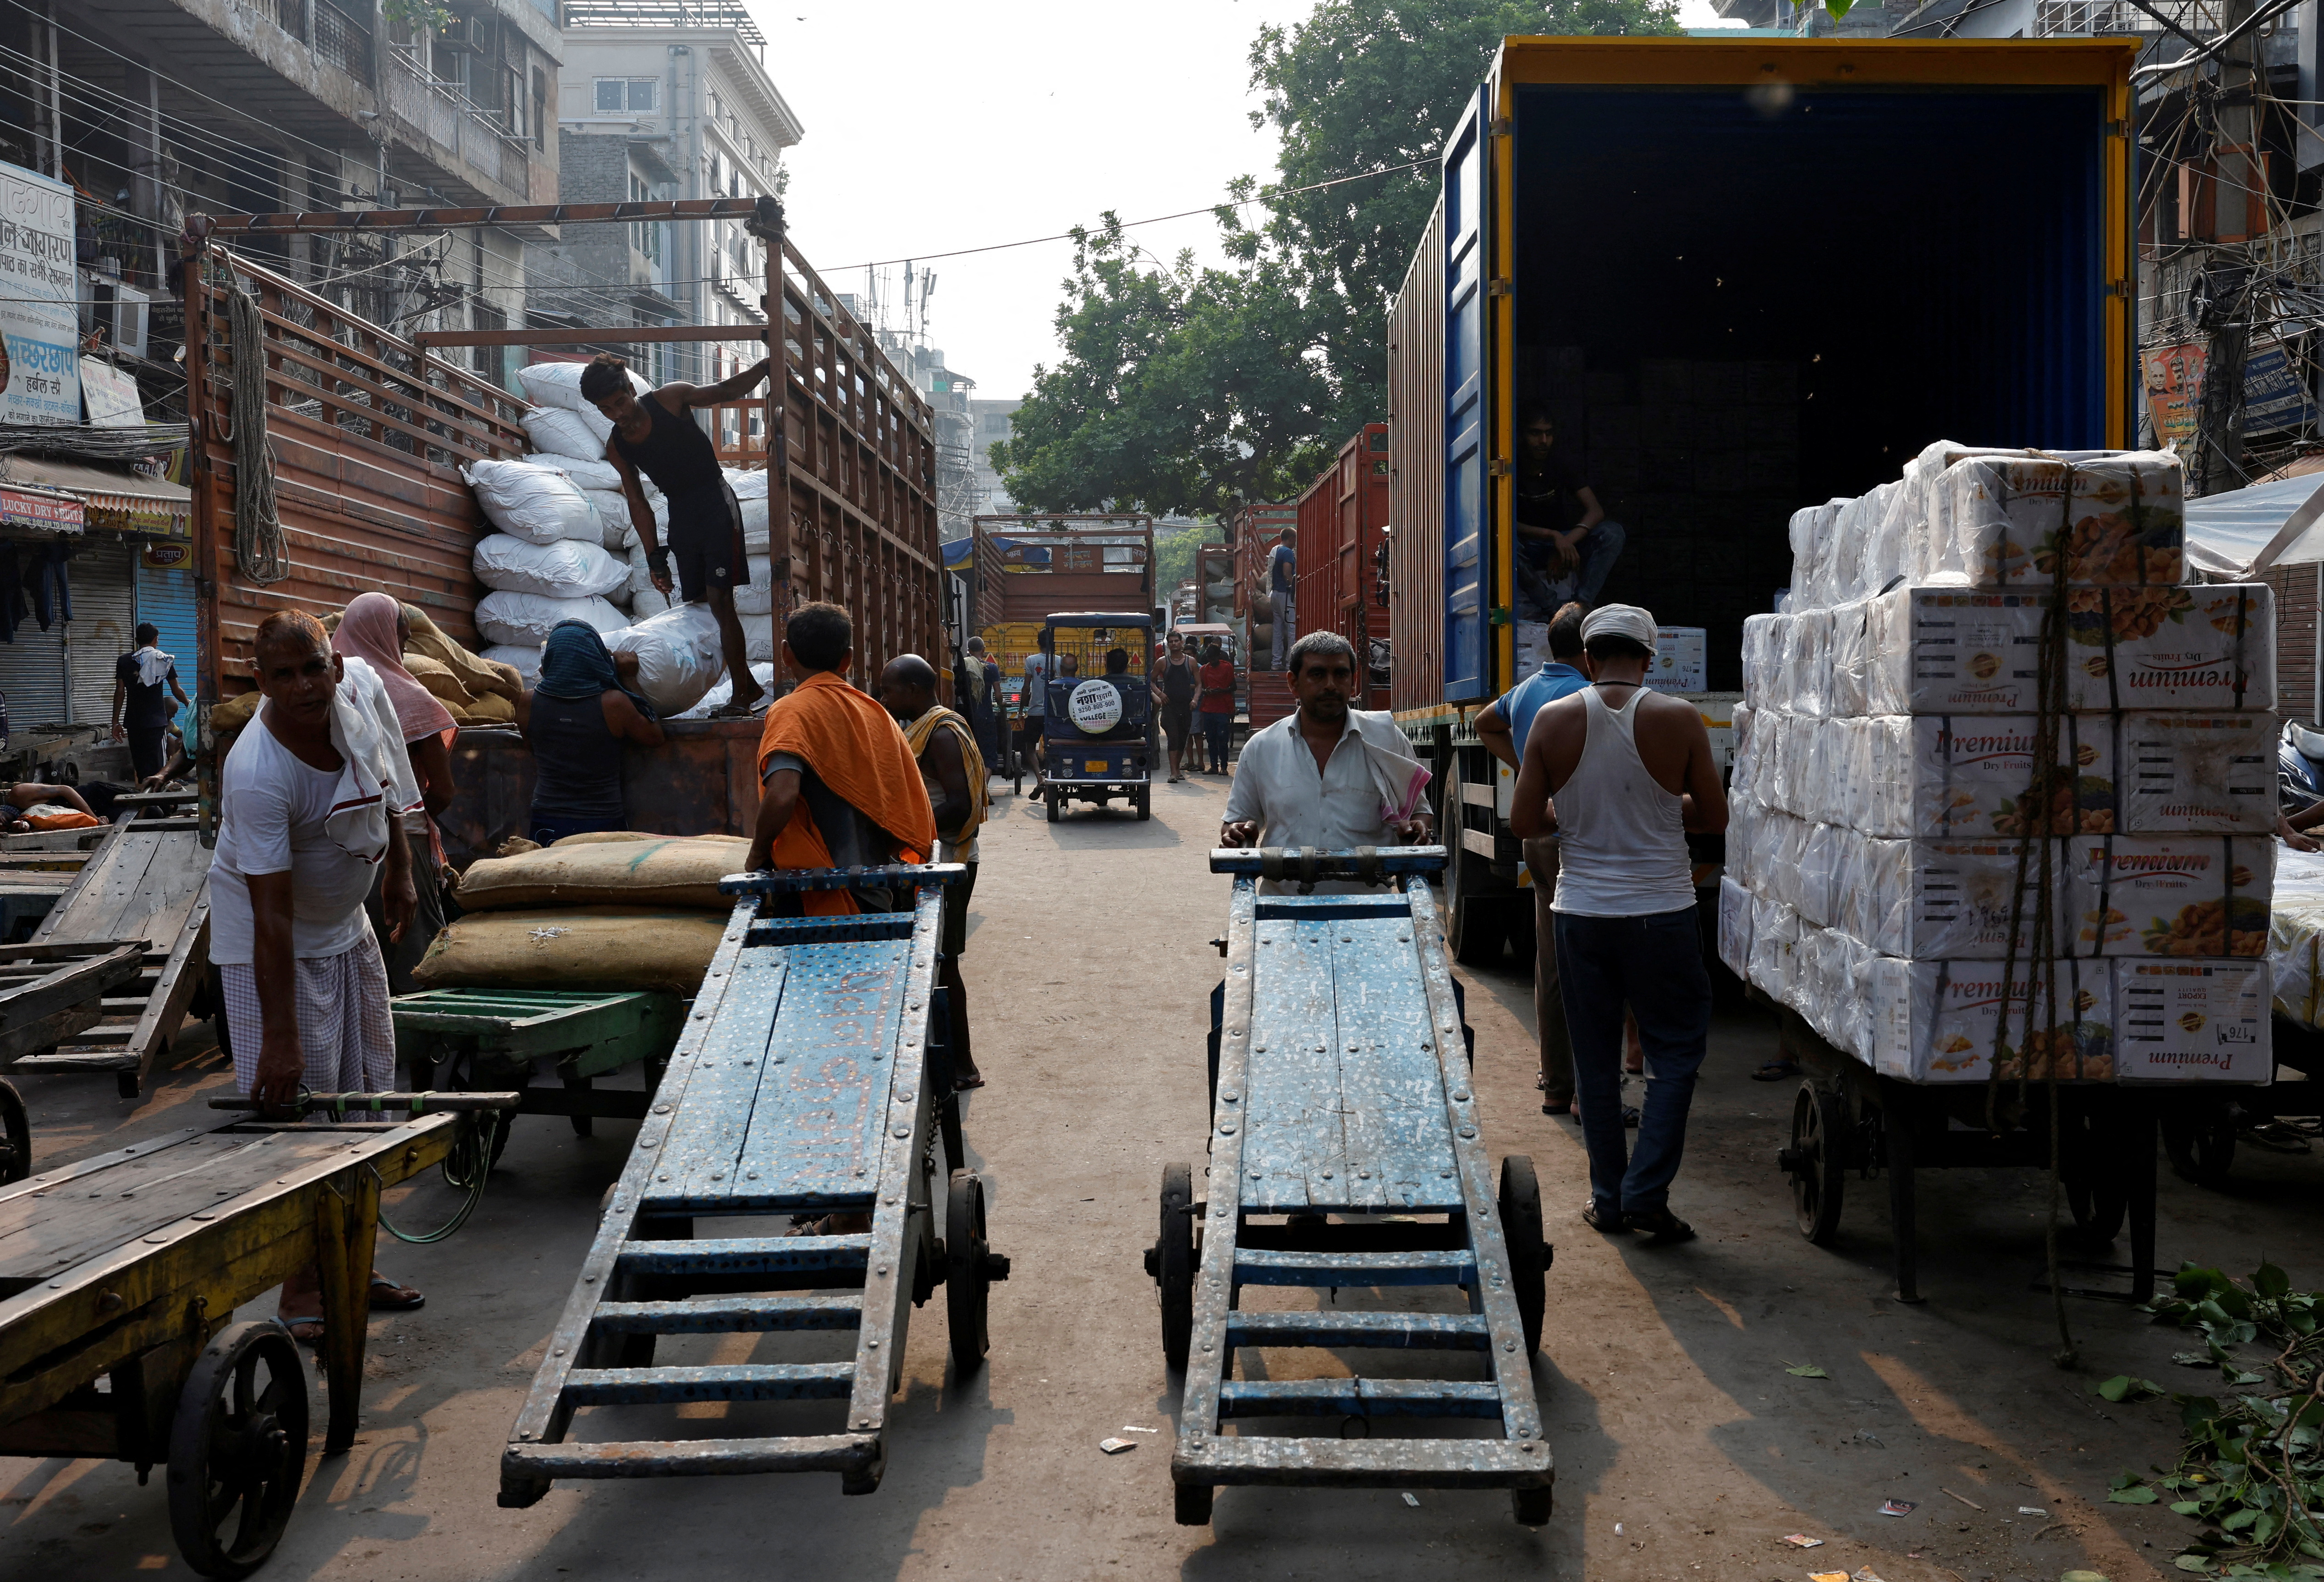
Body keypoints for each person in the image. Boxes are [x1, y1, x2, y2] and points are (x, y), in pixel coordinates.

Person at [211, 609, 425, 1341]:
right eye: (285, 675)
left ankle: (355, 1266)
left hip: (347, 926)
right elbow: (268, 917)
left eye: (314, 666)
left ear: (334, 660)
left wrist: (399, 869)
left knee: (366, 1100)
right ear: (261, 681)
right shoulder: (256, 773)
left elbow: (385, 770)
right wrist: (280, 1039)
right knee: (302, 1120)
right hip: (275, 947)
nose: (306, 685)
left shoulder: (359, 688)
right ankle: (301, 1292)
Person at [1510, 605, 1725, 1245]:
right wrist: (1660, 801)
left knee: (1595, 1061)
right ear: (1650, 658)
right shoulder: (1676, 717)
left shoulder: (1551, 718)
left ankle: (1608, 1198)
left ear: (1585, 656)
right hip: (1660, 911)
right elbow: (1711, 815)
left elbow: (1525, 823)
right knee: (1673, 1053)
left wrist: (1576, 807)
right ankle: (1645, 1193)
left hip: (1580, 914)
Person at [582, 350, 774, 720]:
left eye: (620, 402)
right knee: (699, 605)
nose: (618, 414)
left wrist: (765, 367)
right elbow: (637, 502)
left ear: (629, 388)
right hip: (681, 515)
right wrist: (655, 558)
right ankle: (745, 684)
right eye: (606, 410)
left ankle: (741, 694)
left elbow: (725, 390)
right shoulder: (617, 445)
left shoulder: (669, 399)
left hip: (716, 502)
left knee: (721, 602)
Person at [744, 602, 935, 919]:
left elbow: (782, 795)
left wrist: (756, 857)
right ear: (847, 658)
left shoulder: (790, 711)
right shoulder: (875, 714)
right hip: (873, 892)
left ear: (785, 653)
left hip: (810, 894)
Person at [1476, 601, 1591, 1118]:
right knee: (1593, 961)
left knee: (1550, 962)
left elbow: (1484, 722)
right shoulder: (1583, 695)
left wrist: (1524, 766)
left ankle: (1555, 1086)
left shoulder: (1526, 689)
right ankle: (1593, 1094)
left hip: (1538, 836)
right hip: (1575, 830)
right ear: (1589, 652)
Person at [1221, 631, 1432, 879]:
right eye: (1317, 674)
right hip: (1281, 906)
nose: (1331, 685)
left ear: (1353, 682)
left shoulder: (1387, 738)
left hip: (1372, 906)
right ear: (1293, 683)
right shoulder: (1261, 748)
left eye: (1340, 674)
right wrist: (1236, 831)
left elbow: (1420, 810)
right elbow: (1238, 820)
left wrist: (1417, 827)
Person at [334, 593, 458, 997]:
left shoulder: (326, 692)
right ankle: (421, 1053)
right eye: (400, 640)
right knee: (414, 958)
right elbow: (442, 790)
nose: (402, 650)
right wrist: (413, 822)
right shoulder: (410, 696)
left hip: (341, 842)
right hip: (406, 841)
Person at [879, 654, 987, 1091]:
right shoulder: (921, 727)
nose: (884, 697)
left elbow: (960, 805)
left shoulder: (941, 733)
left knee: (944, 964)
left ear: (916, 691)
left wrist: (900, 835)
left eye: (889, 690)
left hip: (947, 862)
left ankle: (962, 1065)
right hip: (932, 860)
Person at [514, 620, 666, 844]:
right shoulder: (614, 704)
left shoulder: (529, 701)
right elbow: (655, 737)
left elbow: (531, 746)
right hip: (600, 821)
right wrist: (630, 678)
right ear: (593, 658)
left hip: (547, 818)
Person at [1513, 408, 1624, 617]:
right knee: (1505, 542)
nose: (1544, 440)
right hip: (1529, 544)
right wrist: (1553, 536)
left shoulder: (1559, 461)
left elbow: (1595, 510)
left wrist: (1566, 542)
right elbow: (1503, 522)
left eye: (1549, 433)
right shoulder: (1511, 464)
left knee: (1612, 533)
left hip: (1563, 543)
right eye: (1535, 433)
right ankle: (1553, 609)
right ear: (1521, 435)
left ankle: (1581, 607)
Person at [111, 622, 187, 782]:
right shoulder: (163, 660)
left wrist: (115, 722)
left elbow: (119, 692)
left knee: (141, 768)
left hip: (134, 722)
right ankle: (158, 803)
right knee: (159, 768)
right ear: (156, 639)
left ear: (137, 639)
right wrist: (190, 704)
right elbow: (176, 690)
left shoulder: (124, 661)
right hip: (155, 723)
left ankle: (146, 802)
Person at [1152, 629, 1198, 784]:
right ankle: (1173, 773)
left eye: (1176, 641)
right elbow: (1150, 681)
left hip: (1186, 707)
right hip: (1169, 707)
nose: (1174, 644)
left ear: (1182, 643)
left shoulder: (1191, 662)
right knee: (1173, 738)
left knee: (1182, 739)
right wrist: (1160, 694)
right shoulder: (1162, 662)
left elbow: (1199, 684)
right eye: (1171, 642)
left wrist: (1196, 700)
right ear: (1168, 644)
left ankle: (1177, 769)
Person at [962, 635, 1002, 777]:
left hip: (966, 718)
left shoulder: (964, 667)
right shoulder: (991, 668)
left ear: (969, 651)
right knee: (989, 756)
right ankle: (983, 791)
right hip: (986, 717)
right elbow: (998, 695)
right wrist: (1001, 704)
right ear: (984, 650)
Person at [1196, 639, 1235, 775]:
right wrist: (1208, 691)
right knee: (1211, 739)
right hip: (1209, 709)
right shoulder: (1204, 669)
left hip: (1223, 709)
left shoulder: (1227, 667)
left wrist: (1221, 690)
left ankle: (1224, 767)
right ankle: (1214, 766)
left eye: (1213, 658)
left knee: (1223, 739)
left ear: (1218, 656)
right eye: (1209, 658)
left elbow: (1233, 687)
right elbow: (1201, 688)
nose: (1211, 660)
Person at [0, 781, 102, 832]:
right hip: (98, 816)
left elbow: (65, 790)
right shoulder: (22, 823)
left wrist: (95, 819)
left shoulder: (18, 795)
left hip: (96, 796)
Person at [1020, 630, 1053, 780]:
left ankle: (1040, 779)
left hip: (1035, 713)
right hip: (1054, 715)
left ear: (1038, 643)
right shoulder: (1059, 661)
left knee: (1030, 749)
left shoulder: (1031, 661)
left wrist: (1022, 710)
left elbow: (1026, 688)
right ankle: (1050, 778)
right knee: (1053, 748)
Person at [1268, 533, 1297, 671]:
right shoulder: (1287, 552)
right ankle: (1290, 664)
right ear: (1291, 538)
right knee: (1292, 629)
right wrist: (1294, 589)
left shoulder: (1276, 549)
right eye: (1295, 540)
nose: (1296, 543)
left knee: (1278, 631)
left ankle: (1275, 663)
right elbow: (1287, 573)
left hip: (1275, 594)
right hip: (1286, 595)